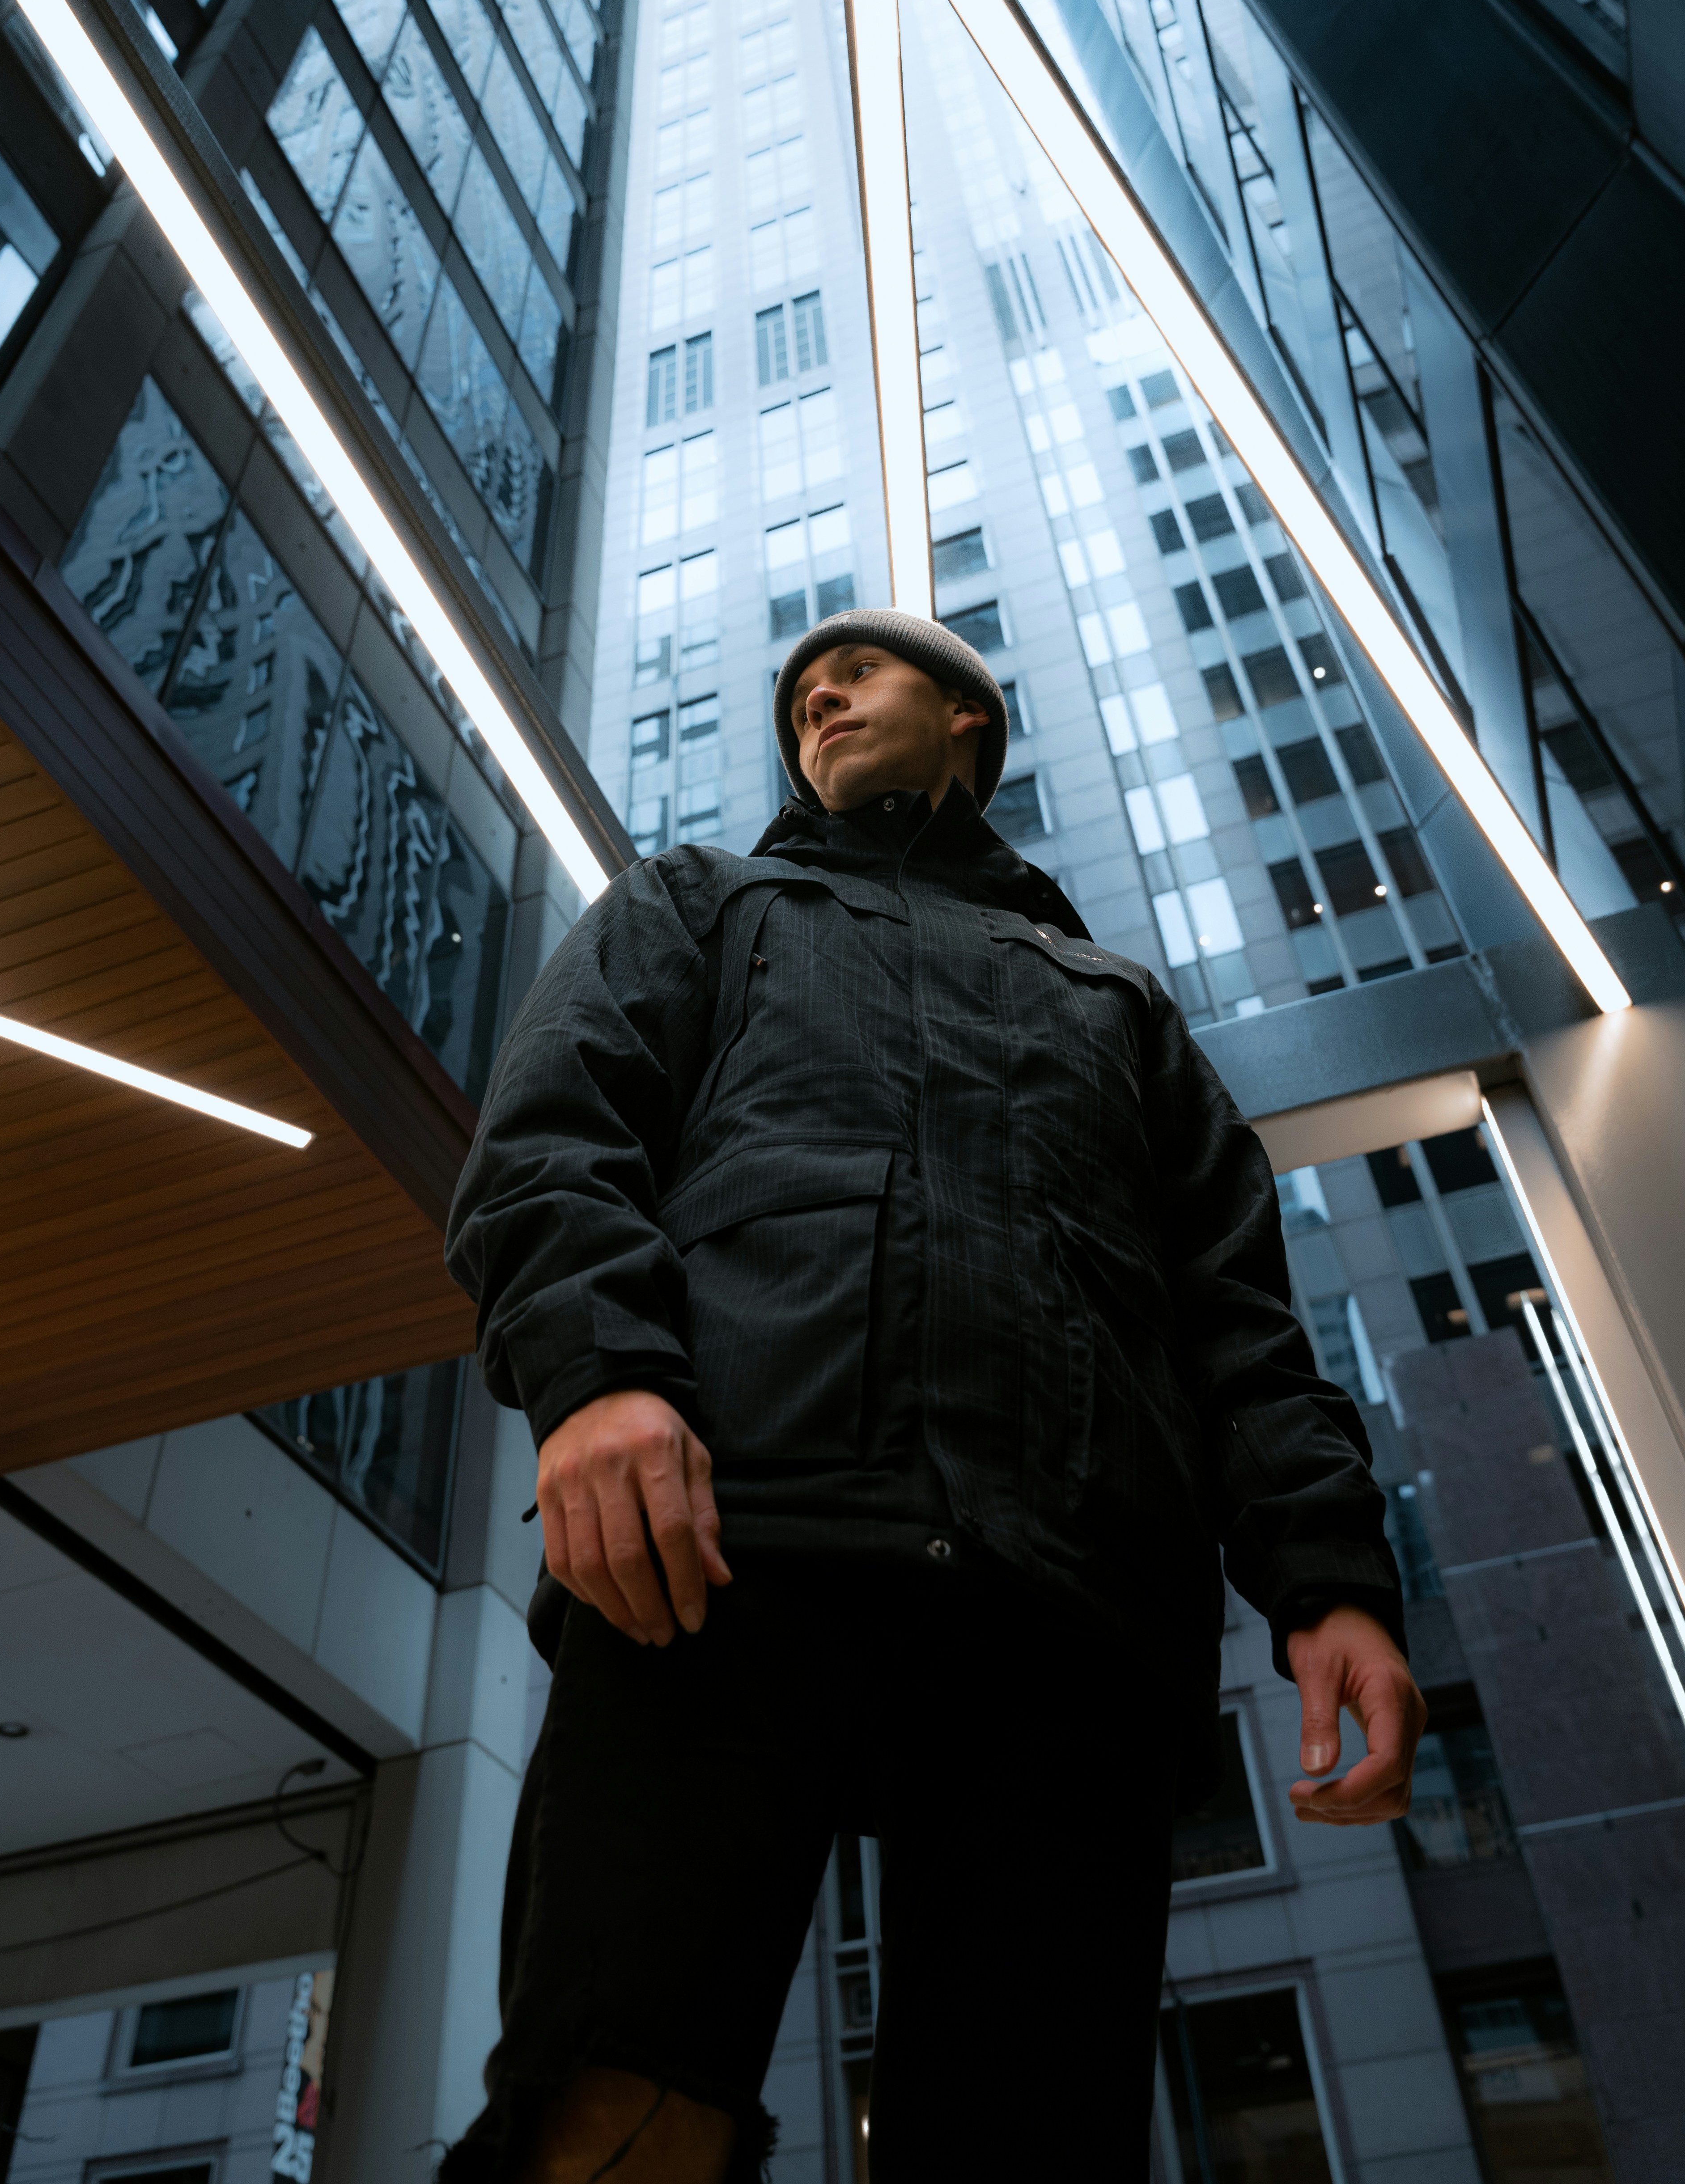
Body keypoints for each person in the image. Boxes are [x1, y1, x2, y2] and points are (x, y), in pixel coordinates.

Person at [439, 610, 1422, 2184]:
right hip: (721, 1553)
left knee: (1028, 2143)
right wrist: (599, 1380)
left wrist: (1333, 1587)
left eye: (855, 670)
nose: (813, 695)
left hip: (1075, 1613)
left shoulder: (1120, 1005)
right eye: (794, 697)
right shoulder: (707, 903)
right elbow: (549, 1140)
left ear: (969, 716)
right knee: (613, 2103)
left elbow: (1241, 1327)